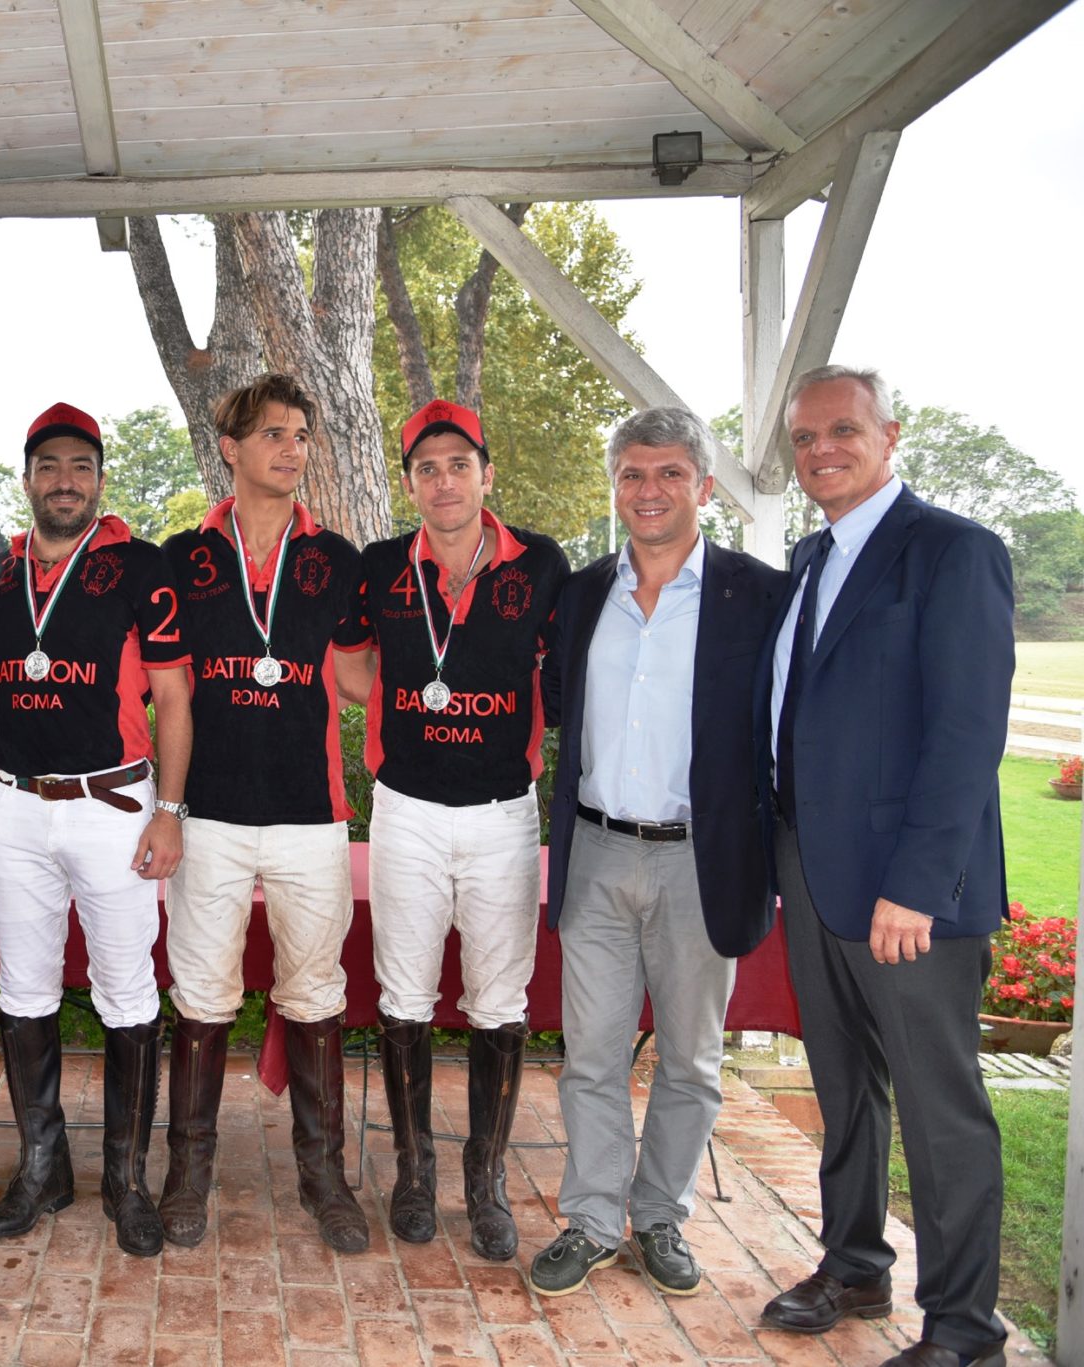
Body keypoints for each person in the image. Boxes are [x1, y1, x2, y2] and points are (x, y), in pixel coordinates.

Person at [756, 366, 1013, 1367]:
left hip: (906, 894)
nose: (820, 448)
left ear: (887, 433)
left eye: (841, 430)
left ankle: (961, 1329)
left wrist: (917, 883)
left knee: (939, 1108)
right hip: (811, 872)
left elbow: (961, 735)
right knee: (843, 1086)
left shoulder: (951, 553)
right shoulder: (809, 558)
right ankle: (854, 1262)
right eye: (804, 435)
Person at [525, 407, 786, 1298]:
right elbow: (556, 703)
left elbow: (782, 733)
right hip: (595, 851)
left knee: (690, 1059)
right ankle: (595, 1219)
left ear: (704, 487)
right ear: (616, 485)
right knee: (590, 1054)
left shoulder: (760, 596)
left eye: (670, 473)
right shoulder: (581, 592)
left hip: (700, 859)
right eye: (633, 474)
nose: (649, 491)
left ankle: (661, 1215)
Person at [157, 373, 371, 1253]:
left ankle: (325, 1178)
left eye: (302, 434)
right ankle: (187, 1175)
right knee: (201, 995)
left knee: (317, 995)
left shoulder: (339, 561)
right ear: (232, 449)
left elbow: (359, 678)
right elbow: (161, 686)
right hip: (205, 814)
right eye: (274, 434)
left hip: (309, 815)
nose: (292, 449)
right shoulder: (180, 557)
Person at [352, 397, 567, 1262]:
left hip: (502, 815)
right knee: (402, 994)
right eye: (427, 467)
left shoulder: (541, 564)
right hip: (404, 807)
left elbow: (566, 665)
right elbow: (351, 664)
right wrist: (404, 707)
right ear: (409, 482)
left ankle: (484, 1180)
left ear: (487, 472)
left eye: (459, 463)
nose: (444, 480)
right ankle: (412, 1171)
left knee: (500, 1001)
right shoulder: (378, 567)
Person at [0, 401, 193, 1258]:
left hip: (114, 807)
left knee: (128, 992)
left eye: (79, 465)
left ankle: (127, 1178)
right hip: (16, 804)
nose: (64, 481)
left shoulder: (144, 567)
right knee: (24, 988)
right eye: (48, 466)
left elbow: (176, 697)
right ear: (28, 478)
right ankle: (44, 1166)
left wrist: (170, 811)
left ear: (99, 478)